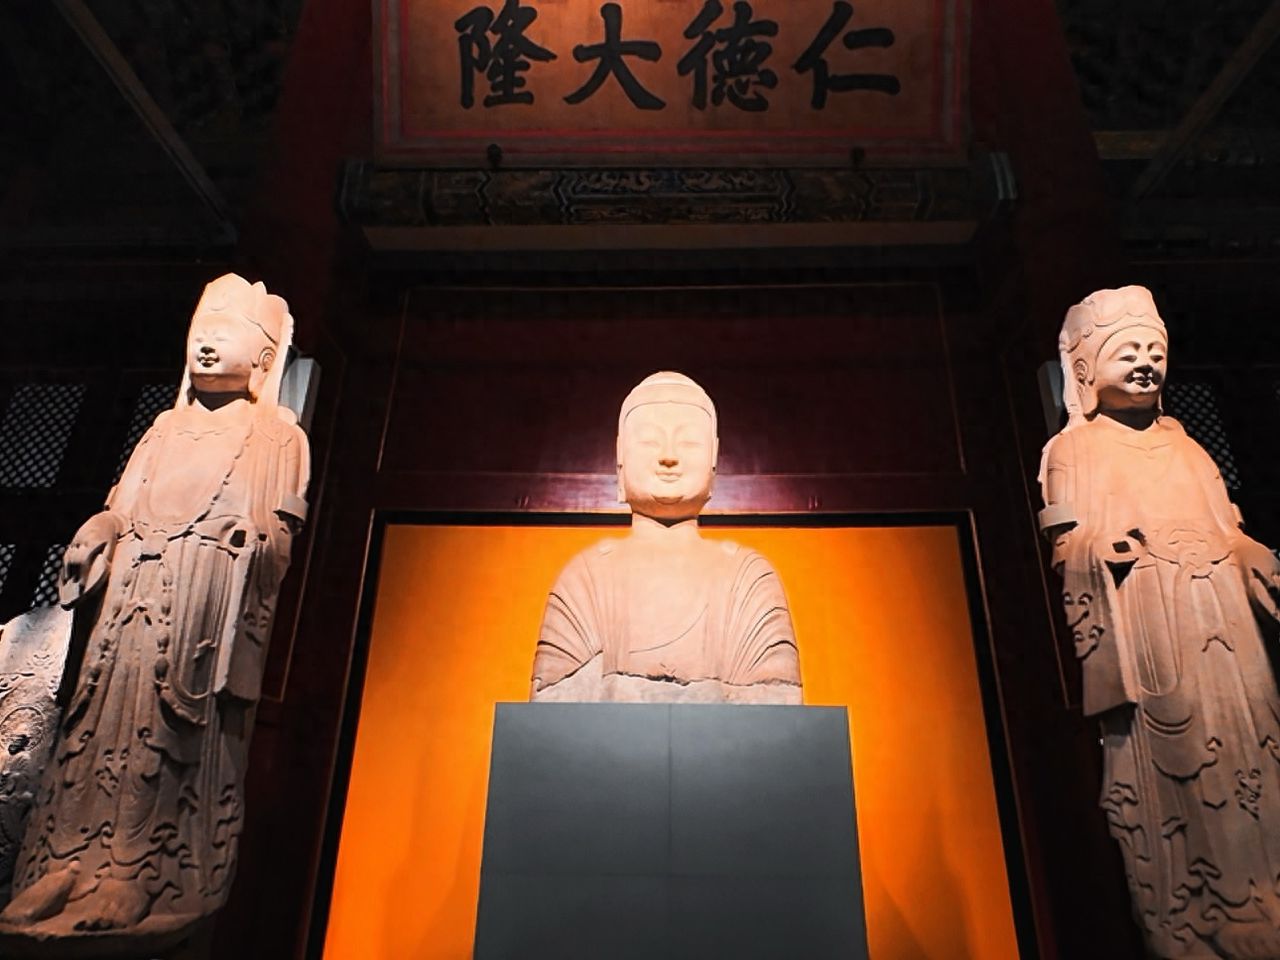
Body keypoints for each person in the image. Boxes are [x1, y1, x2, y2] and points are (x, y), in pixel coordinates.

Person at [0, 274, 309, 941]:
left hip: (198, 608)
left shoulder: (276, 438)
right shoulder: (164, 430)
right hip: (127, 602)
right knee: (94, 735)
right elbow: (121, 506)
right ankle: (65, 862)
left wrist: (239, 543)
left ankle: (133, 870)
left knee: (163, 739)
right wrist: (99, 530)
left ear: (262, 360)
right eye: (199, 333)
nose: (204, 346)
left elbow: (276, 534)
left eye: (221, 335)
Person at [1040, 286, 1280, 959]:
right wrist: (1105, 549)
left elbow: (1227, 525)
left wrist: (1248, 551)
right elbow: (1068, 542)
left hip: (1225, 622)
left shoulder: (1185, 445)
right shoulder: (1075, 450)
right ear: (1084, 372)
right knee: (1184, 755)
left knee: (1252, 745)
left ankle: (1266, 887)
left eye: (1156, 351)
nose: (1146, 363)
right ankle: (1208, 901)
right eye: (1128, 353)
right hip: (1152, 623)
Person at [531, 371, 801, 704]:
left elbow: (778, 708)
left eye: (689, 442)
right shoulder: (586, 576)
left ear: (714, 459)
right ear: (620, 458)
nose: (669, 456)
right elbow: (550, 710)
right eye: (649, 441)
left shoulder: (747, 577)